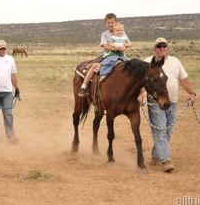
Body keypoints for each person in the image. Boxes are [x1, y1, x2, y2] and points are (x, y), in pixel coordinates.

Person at [141, 37, 196, 173]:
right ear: (154, 49)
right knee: (160, 130)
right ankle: (166, 160)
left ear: (168, 47)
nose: (162, 48)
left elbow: (183, 79)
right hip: (155, 101)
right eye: (159, 46)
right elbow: (142, 81)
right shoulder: (148, 62)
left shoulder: (175, 61)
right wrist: (141, 93)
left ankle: (156, 155)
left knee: (168, 131)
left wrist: (192, 93)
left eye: (164, 46)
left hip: (172, 101)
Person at [78, 13, 129, 96]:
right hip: (109, 55)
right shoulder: (105, 35)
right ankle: (84, 86)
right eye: (108, 22)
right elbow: (105, 46)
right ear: (105, 23)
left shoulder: (121, 32)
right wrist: (117, 48)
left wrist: (124, 47)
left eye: (112, 22)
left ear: (116, 22)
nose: (110, 24)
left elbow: (127, 42)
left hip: (122, 56)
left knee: (132, 68)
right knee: (95, 66)